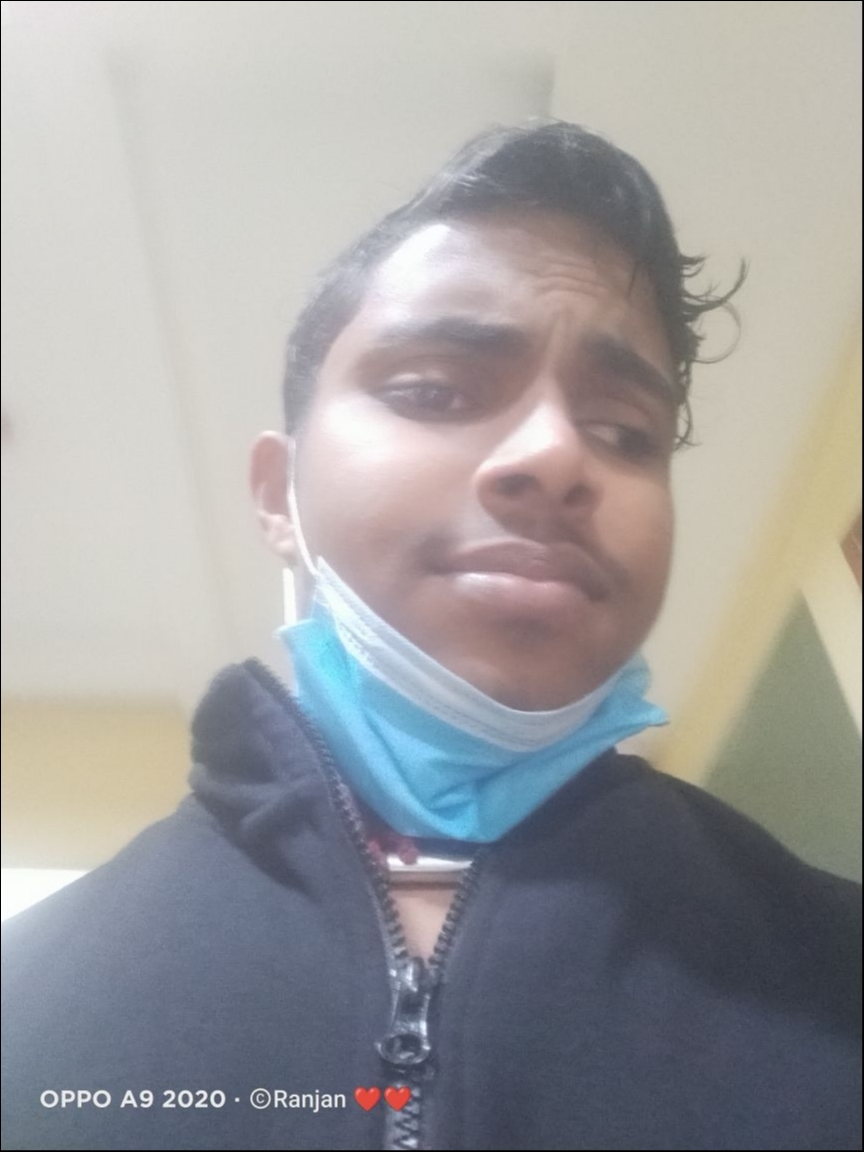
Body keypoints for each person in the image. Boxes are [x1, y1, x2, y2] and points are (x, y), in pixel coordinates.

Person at [2, 121, 860, 1152]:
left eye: (624, 432)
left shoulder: (837, 975)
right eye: (433, 391)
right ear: (278, 495)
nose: (556, 454)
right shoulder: (23, 1015)